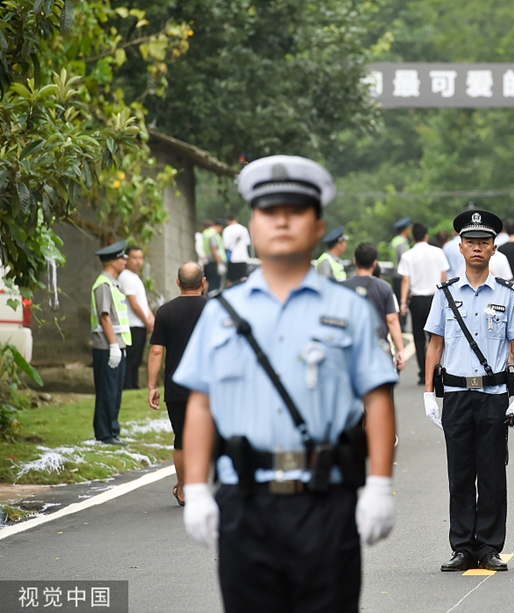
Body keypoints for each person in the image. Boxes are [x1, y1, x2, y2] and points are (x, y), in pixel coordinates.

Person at [174, 155, 398, 613]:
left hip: (326, 504)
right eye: (269, 212)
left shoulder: (350, 310)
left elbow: (377, 398)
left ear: (318, 228)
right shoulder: (221, 313)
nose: (281, 222)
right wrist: (196, 489)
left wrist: (378, 484)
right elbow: (201, 403)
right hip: (245, 506)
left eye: (295, 212)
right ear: (253, 226)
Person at [423, 208, 514, 573]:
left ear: (494, 248)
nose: (477, 249)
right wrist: (427, 393)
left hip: (492, 396)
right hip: (455, 395)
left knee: (491, 474)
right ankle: (462, 547)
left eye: (483, 243)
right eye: (471, 242)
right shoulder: (445, 294)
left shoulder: (507, 293)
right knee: (459, 474)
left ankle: (488, 546)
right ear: (460, 246)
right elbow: (434, 344)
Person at [147, 262, 207, 506]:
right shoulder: (216, 309)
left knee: (181, 439)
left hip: (177, 386)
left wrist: (152, 386)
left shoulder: (165, 312)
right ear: (203, 283)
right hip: (208, 387)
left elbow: (157, 352)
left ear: (178, 282)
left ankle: (183, 490)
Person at [90, 240, 132, 445]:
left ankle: (112, 430)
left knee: (115, 391)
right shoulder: (103, 285)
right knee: (107, 391)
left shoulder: (115, 285)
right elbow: (105, 317)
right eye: (121, 258)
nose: (125, 261)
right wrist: (114, 346)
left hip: (117, 345)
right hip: (107, 347)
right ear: (113, 262)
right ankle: (105, 433)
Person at [398, 223, 449, 384]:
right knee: (437, 337)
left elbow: (406, 280)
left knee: (419, 338)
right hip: (436, 298)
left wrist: (403, 302)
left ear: (413, 237)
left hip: (417, 301)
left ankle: (423, 374)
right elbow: (444, 277)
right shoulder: (438, 252)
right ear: (426, 235)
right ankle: (438, 370)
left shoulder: (408, 255)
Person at [343, 242, 406, 372]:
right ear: (374, 263)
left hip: (352, 350)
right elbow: (392, 320)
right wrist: (400, 350)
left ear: (355, 261)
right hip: (379, 350)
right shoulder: (384, 287)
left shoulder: (342, 288)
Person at [119, 245, 154, 390]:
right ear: (126, 259)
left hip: (140, 324)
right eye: (134, 258)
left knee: (137, 359)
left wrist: (150, 318)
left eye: (140, 258)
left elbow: (143, 302)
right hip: (132, 324)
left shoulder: (136, 278)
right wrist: (147, 321)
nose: (138, 262)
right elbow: (133, 303)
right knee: (131, 359)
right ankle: (128, 386)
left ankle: (134, 385)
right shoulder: (125, 276)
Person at [390, 217, 412, 328]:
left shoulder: (394, 241)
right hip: (402, 276)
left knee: (398, 301)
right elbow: (405, 261)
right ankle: (402, 328)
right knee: (402, 301)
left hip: (395, 275)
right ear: (406, 229)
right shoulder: (402, 243)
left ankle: (400, 326)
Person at [222, 214, 252, 287]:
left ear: (228, 221)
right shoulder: (243, 229)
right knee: (243, 277)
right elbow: (247, 242)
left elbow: (226, 245)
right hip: (242, 257)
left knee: (231, 279)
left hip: (232, 258)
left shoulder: (227, 230)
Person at [202, 219, 227, 295]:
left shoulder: (207, 232)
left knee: (209, 283)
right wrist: (219, 263)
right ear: (220, 227)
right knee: (214, 286)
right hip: (214, 263)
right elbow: (214, 249)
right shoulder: (213, 234)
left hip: (208, 262)